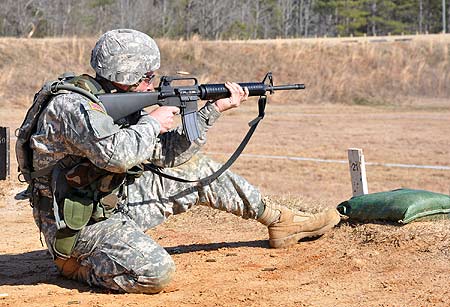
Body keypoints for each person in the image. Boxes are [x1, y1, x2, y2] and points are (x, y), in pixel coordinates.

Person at [27, 29, 340, 294]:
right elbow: (118, 156)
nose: (152, 83)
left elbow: (168, 154)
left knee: (199, 170)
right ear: (127, 74)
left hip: (109, 202)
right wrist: (153, 122)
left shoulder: (110, 102)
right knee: (156, 272)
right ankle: (76, 266)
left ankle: (279, 219)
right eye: (148, 76)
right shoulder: (74, 106)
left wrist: (211, 111)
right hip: (75, 227)